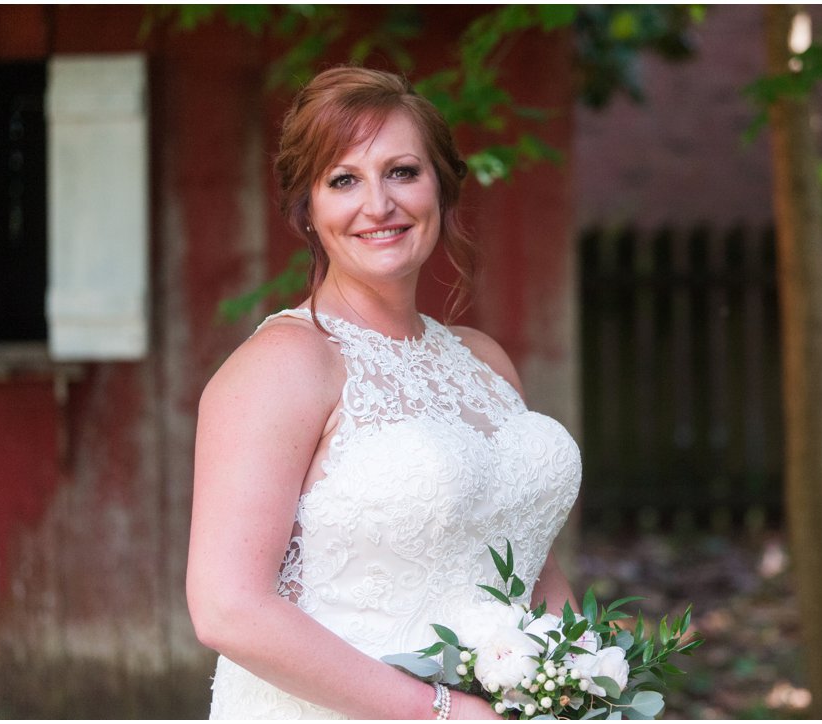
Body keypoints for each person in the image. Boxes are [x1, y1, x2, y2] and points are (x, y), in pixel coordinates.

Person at [186, 66, 582, 719]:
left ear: (442, 186)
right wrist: (443, 713)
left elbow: (529, 562)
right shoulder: (283, 367)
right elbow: (229, 609)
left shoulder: (484, 361)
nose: (379, 204)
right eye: (344, 180)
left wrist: (583, 688)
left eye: (402, 171)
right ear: (307, 208)